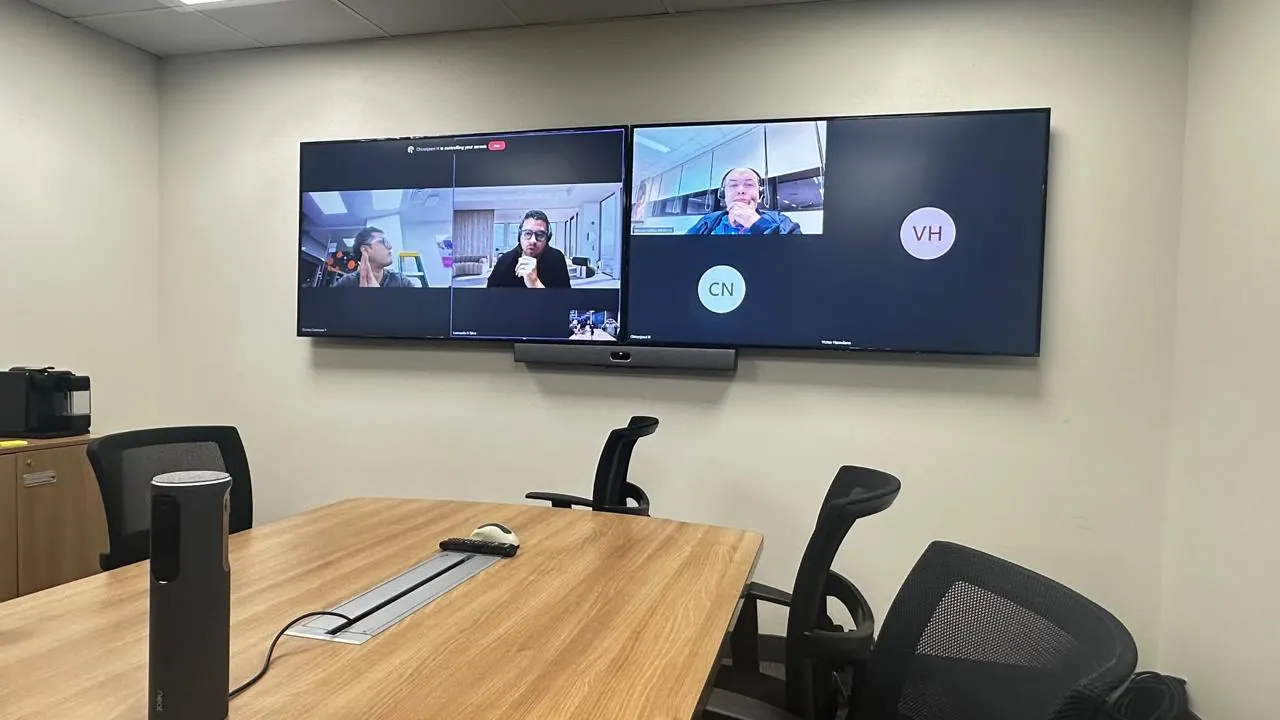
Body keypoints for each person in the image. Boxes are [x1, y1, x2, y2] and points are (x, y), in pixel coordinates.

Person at [686, 167, 802, 235]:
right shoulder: (708, 221)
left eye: (749, 184)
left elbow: (800, 255)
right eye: (733, 185)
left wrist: (757, 223)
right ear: (723, 194)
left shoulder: (780, 220)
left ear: (760, 194)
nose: (740, 191)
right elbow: (680, 252)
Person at [487, 210, 572, 289]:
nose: (533, 241)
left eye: (540, 235)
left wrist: (535, 283)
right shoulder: (505, 260)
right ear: (519, 236)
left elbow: (565, 302)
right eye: (527, 233)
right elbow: (488, 299)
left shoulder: (557, 258)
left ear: (548, 239)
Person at [332, 227, 420, 288]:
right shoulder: (347, 283)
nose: (389, 246)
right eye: (382, 242)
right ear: (365, 249)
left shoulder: (400, 282)